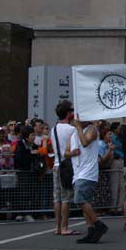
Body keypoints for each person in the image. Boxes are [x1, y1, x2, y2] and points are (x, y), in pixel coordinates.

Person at [67, 115, 108, 244]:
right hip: (78, 171)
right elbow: (65, 152)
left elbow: (85, 143)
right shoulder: (74, 134)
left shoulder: (92, 129)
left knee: (80, 199)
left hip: (88, 172)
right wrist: (72, 152)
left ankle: (98, 224)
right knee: (85, 203)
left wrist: (79, 127)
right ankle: (91, 230)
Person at [50, 100, 77, 236]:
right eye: (71, 110)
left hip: (56, 164)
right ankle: (65, 226)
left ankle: (57, 227)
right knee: (66, 197)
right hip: (67, 165)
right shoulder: (72, 129)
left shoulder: (53, 129)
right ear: (68, 113)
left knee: (57, 197)